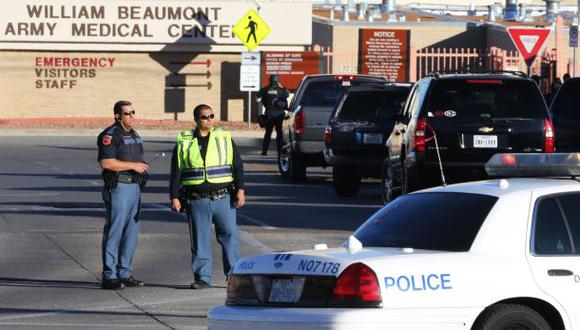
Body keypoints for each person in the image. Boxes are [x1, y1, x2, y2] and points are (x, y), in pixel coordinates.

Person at [169, 104, 245, 289]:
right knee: (199, 240)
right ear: (196, 119)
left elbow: (237, 165)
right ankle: (202, 277)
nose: (209, 120)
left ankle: (233, 276)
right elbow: (176, 171)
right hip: (196, 199)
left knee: (230, 237)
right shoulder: (184, 142)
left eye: (211, 116)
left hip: (223, 198)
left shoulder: (224, 138)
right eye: (205, 117)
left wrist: (241, 190)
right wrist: (174, 196)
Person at [97, 100, 149, 290]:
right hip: (119, 186)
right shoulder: (110, 135)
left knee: (131, 232)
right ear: (118, 116)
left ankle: (124, 273)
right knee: (114, 230)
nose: (132, 116)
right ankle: (109, 274)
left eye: (133, 112)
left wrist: (141, 168)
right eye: (127, 113)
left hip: (134, 187)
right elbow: (107, 162)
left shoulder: (134, 134)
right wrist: (133, 166)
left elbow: (136, 159)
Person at [257, 74, 289, 155]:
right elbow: (287, 95)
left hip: (269, 113)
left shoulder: (264, 89)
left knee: (268, 133)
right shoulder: (282, 90)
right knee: (279, 132)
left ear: (269, 80)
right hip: (279, 114)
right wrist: (281, 86)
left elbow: (258, 99)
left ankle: (264, 151)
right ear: (277, 81)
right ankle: (280, 151)